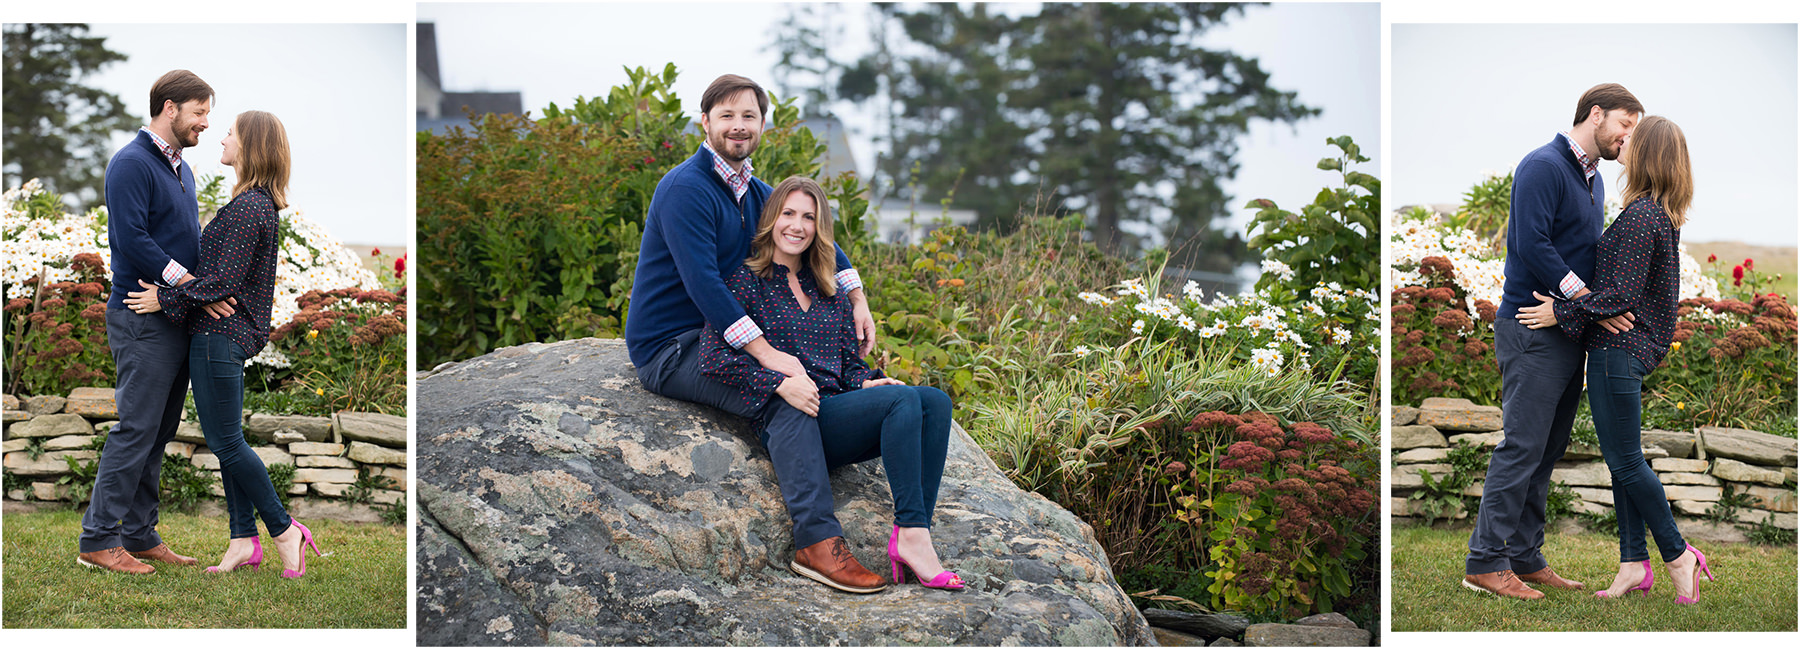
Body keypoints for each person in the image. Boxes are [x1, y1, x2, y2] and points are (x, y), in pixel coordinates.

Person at [624, 74, 886, 586]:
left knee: (805, 379)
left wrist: (857, 296)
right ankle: (816, 543)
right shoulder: (684, 189)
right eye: (726, 116)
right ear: (705, 123)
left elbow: (816, 239)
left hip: (719, 336)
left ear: (763, 124)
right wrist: (765, 353)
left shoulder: (755, 192)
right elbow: (703, 285)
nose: (738, 126)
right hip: (674, 345)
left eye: (748, 116)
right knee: (783, 393)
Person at [699, 176, 962, 593]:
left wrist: (868, 384)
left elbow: (847, 367)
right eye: (788, 214)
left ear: (819, 228)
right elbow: (712, 359)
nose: (797, 226)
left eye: (809, 217)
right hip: (794, 425)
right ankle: (912, 538)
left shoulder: (829, 290)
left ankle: (914, 532)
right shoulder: (745, 283)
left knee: (933, 401)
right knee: (901, 402)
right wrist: (776, 383)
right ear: (771, 219)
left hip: (836, 415)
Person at [1515, 115, 1713, 604]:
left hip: (1618, 353)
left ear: (1649, 154)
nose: (1624, 141)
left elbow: (1619, 293)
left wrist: (1558, 311)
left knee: (1625, 462)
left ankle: (1677, 553)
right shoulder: (1654, 212)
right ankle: (1632, 565)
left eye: (1633, 139)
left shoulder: (1643, 214)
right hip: (1619, 352)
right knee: (1622, 460)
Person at [1462, 83, 1643, 600]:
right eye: (1625, 125)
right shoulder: (1543, 165)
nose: (1628, 138)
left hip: (1565, 328)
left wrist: (1587, 308)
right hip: (1531, 326)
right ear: (1596, 113)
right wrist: (1585, 297)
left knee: (1547, 448)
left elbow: (1583, 249)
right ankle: (1484, 560)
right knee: (1521, 445)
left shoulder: (1595, 181)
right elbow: (1529, 242)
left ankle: (1524, 555)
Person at [125, 111, 323, 579]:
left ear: (250, 145)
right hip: (218, 335)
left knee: (227, 442)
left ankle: (283, 528)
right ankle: (241, 540)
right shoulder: (254, 204)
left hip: (221, 337)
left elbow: (225, 280)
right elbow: (220, 281)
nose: (222, 136)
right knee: (227, 440)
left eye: (231, 131)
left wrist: (164, 296)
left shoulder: (250, 207)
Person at [79, 69, 230, 574]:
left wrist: (195, 290)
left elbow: (180, 238)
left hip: (171, 315)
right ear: (170, 107)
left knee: (158, 430)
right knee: (135, 428)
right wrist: (188, 285)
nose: (206, 122)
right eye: (199, 112)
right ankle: (98, 540)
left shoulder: (181, 170)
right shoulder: (131, 163)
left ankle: (140, 534)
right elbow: (131, 241)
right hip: (140, 314)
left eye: (208, 114)